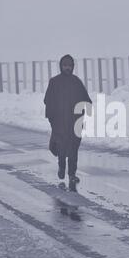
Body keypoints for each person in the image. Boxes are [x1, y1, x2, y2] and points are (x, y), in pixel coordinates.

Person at [44, 55, 92, 183]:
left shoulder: (76, 82)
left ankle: (71, 174)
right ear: (61, 66)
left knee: (73, 149)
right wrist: (51, 118)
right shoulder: (54, 82)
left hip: (75, 122)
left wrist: (85, 109)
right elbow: (48, 100)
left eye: (69, 65)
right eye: (65, 65)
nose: (67, 68)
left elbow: (86, 99)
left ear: (72, 67)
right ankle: (61, 167)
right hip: (59, 122)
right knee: (61, 147)